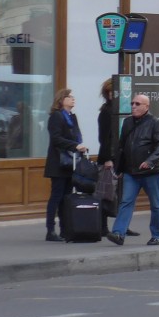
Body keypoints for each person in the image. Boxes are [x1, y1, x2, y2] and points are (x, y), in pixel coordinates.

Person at [107, 93, 159, 246]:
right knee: (126, 202)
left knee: (156, 204)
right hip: (131, 172)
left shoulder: (155, 123)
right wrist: (119, 168)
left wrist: (150, 161)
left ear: (146, 107)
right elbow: (121, 147)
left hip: (150, 172)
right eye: (132, 103)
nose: (133, 106)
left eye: (137, 104)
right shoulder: (127, 122)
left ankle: (158, 235)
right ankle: (119, 233)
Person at [43, 88, 88, 242]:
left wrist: (79, 146)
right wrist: (74, 146)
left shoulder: (71, 117)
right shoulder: (56, 116)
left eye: (73, 97)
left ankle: (64, 229)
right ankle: (50, 230)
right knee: (56, 197)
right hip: (58, 163)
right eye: (69, 97)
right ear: (61, 100)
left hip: (70, 163)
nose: (73, 99)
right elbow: (56, 139)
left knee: (66, 197)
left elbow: (76, 137)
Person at [96, 79, 138, 238]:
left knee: (122, 194)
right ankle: (102, 227)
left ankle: (122, 226)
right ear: (110, 94)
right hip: (110, 158)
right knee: (106, 193)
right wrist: (108, 158)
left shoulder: (122, 111)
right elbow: (104, 138)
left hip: (122, 158)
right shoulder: (106, 112)